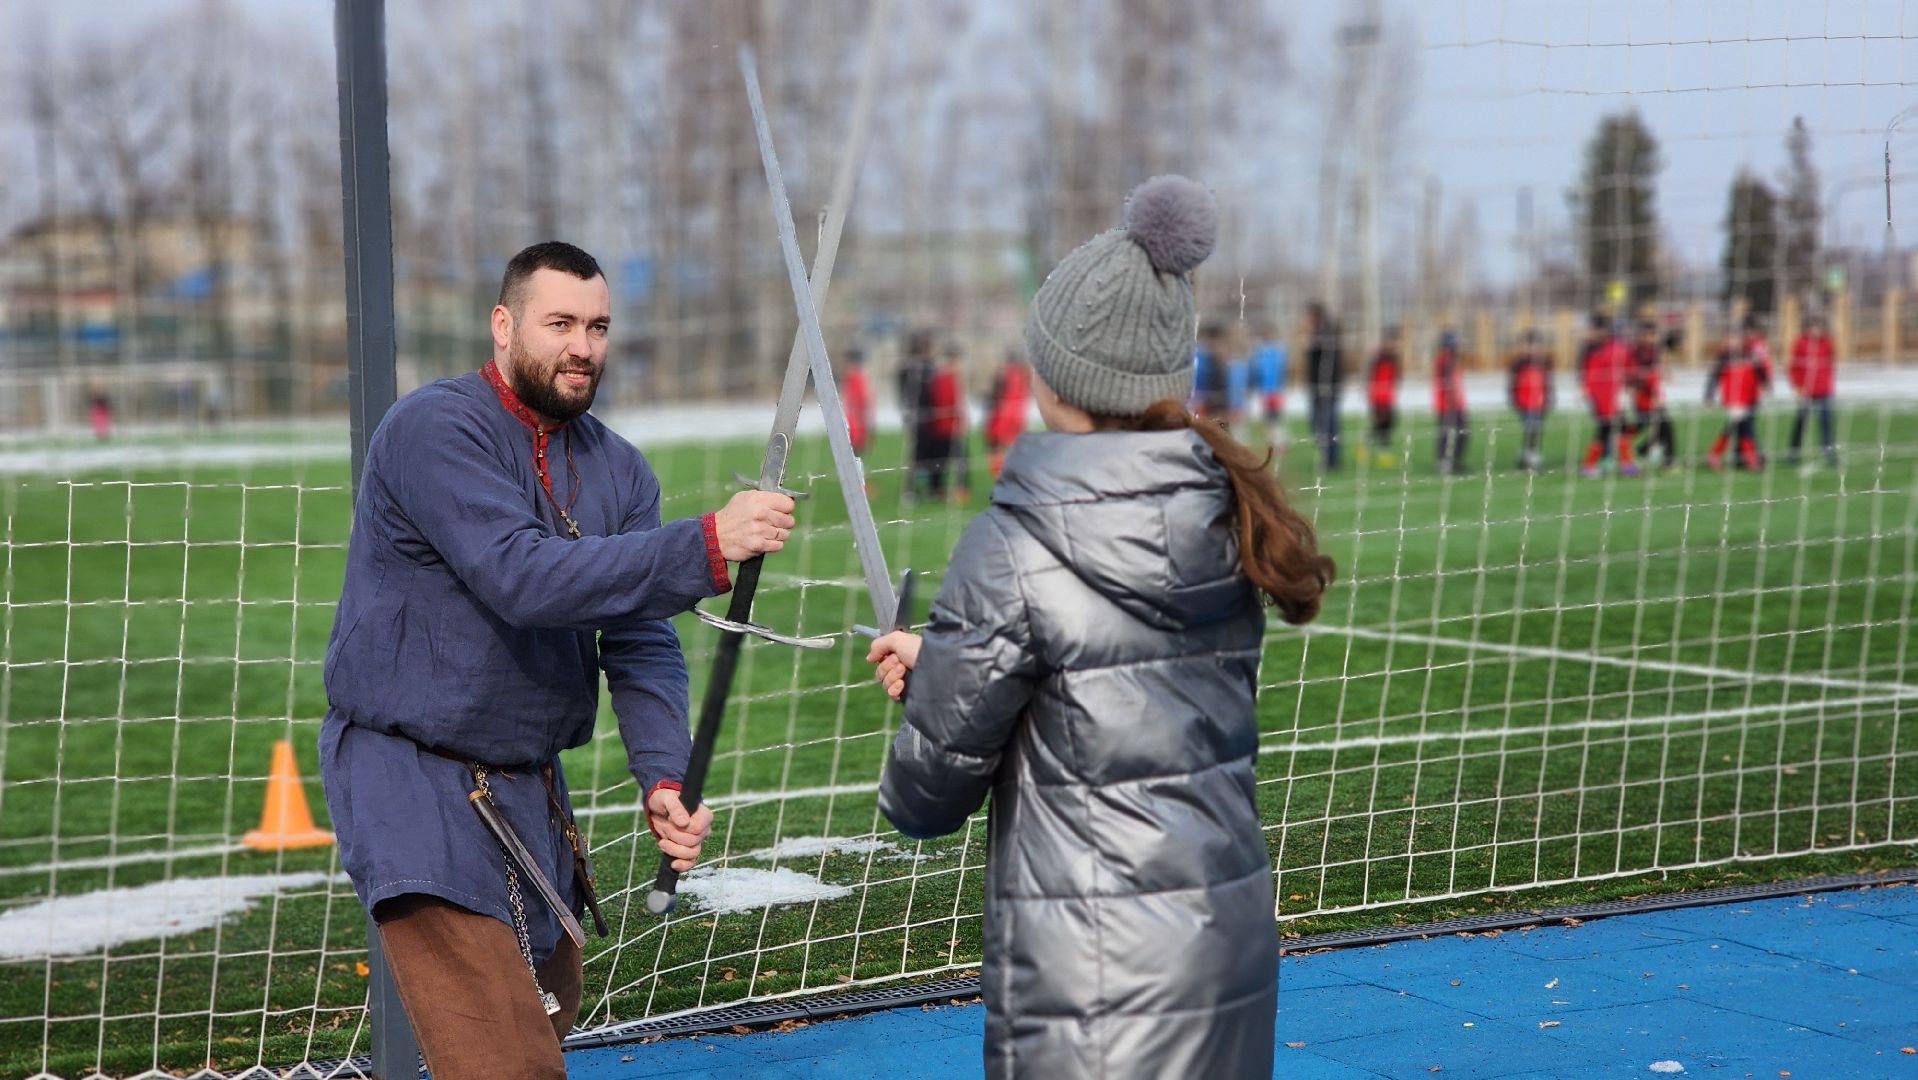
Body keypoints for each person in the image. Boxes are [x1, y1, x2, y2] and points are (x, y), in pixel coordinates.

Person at [864, 176, 1332, 1079]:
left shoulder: (1013, 545)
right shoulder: (1228, 514)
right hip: (1224, 944)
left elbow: (924, 797)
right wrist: (956, 661)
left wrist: (947, 683)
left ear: (1060, 373)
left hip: (1092, 975)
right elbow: (1119, 686)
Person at [319, 242, 797, 1079]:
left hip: (530, 792)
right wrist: (707, 546)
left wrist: (661, 774)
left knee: (544, 1020)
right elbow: (522, 577)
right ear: (504, 326)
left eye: (599, 326)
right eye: (561, 323)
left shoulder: (619, 468)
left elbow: (642, 637)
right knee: (506, 1059)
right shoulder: (435, 428)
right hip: (412, 778)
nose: (583, 345)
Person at [1579, 315, 1639, 477]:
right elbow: (1588, 374)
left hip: (1610, 396)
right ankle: (1621, 464)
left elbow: (1629, 369)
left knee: (1612, 429)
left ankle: (1616, 463)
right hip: (1605, 398)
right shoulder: (1599, 349)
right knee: (1611, 429)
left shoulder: (1612, 348)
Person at [1706, 324, 1769, 471]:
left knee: (1737, 427)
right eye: (1730, 338)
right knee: (1742, 427)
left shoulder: (1749, 354)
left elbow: (1760, 370)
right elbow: (1713, 378)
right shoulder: (1724, 357)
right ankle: (1751, 460)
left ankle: (1717, 455)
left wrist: (1765, 384)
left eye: (1736, 338)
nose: (1733, 341)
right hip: (1733, 398)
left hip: (1749, 397)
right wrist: (1709, 397)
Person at [1786, 313, 1838, 467]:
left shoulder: (1826, 343)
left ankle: (1828, 452)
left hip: (1823, 389)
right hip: (1806, 391)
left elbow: (1830, 364)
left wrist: (1828, 384)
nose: (1816, 330)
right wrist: (1797, 386)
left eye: (1819, 327)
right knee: (1801, 422)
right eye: (1813, 327)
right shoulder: (1800, 343)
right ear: (1807, 328)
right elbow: (1793, 367)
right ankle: (1793, 453)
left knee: (1826, 422)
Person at [926, 342, 970, 501]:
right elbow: (946, 402)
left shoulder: (946, 377)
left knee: (947, 459)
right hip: (947, 426)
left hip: (946, 425)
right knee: (950, 459)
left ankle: (941, 488)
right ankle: (946, 488)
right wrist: (958, 418)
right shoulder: (946, 378)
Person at [1629, 319, 1676, 468]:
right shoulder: (1636, 352)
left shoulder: (1655, 351)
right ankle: (1641, 449)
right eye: (1649, 334)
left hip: (1655, 396)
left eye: (1654, 334)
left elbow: (1661, 371)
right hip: (1643, 397)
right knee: (1651, 426)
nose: (1652, 338)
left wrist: (1665, 372)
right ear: (1641, 336)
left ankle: (1666, 459)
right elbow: (1636, 376)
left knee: (1665, 427)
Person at [897, 330, 937, 500]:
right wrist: (907, 411)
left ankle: (929, 487)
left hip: (930, 415)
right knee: (916, 453)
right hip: (917, 415)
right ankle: (910, 489)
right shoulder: (908, 368)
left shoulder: (930, 366)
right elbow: (903, 392)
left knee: (930, 452)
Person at [1507, 329, 1553, 471]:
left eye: (1535, 345)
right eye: (1529, 345)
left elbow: (1547, 383)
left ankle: (1527, 455)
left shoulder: (1543, 362)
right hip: (1525, 402)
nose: (1532, 348)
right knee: (1531, 428)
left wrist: (1549, 398)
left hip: (1539, 403)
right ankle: (1530, 457)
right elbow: (1513, 384)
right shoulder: (1519, 363)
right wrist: (1515, 400)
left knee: (1536, 429)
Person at [1305, 301, 1345, 470]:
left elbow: (1330, 361)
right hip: (1317, 385)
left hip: (1328, 386)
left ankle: (1330, 458)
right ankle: (1329, 456)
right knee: (1318, 422)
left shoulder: (1329, 333)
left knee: (1327, 423)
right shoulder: (1316, 334)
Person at [982, 347, 1032, 478]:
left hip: (1003, 416)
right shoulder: (1022, 374)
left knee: (999, 448)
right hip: (1016, 416)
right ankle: (1010, 477)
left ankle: (1000, 476)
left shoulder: (1005, 374)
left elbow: (996, 396)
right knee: (1011, 449)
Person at [1432, 329, 1470, 474]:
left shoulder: (1451, 359)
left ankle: (1454, 460)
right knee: (1446, 433)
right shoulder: (1444, 359)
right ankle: (1443, 462)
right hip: (1447, 404)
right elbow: (1446, 382)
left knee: (1461, 432)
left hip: (1456, 403)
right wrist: (1451, 402)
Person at [1363, 326, 1402, 467]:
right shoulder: (1378, 357)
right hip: (1378, 396)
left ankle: (1366, 443)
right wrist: (1369, 393)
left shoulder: (1394, 358)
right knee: (1383, 423)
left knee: (1388, 423)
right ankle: (1382, 453)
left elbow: (1395, 376)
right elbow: (1370, 376)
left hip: (1388, 396)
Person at [1248, 321, 1289, 446]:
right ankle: (1274, 441)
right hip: (1265, 390)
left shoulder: (1278, 350)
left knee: (1276, 417)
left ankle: (1280, 441)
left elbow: (1283, 370)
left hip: (1276, 390)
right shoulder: (1259, 350)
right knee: (1267, 418)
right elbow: (1255, 370)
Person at [1190, 321, 1231, 421]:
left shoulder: (1202, 354)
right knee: (1216, 428)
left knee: (1217, 427)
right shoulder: (1205, 355)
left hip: (1212, 399)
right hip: (1208, 399)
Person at [841, 346, 873, 457]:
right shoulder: (856, 376)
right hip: (855, 421)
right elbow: (861, 399)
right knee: (854, 453)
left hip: (855, 420)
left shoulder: (853, 376)